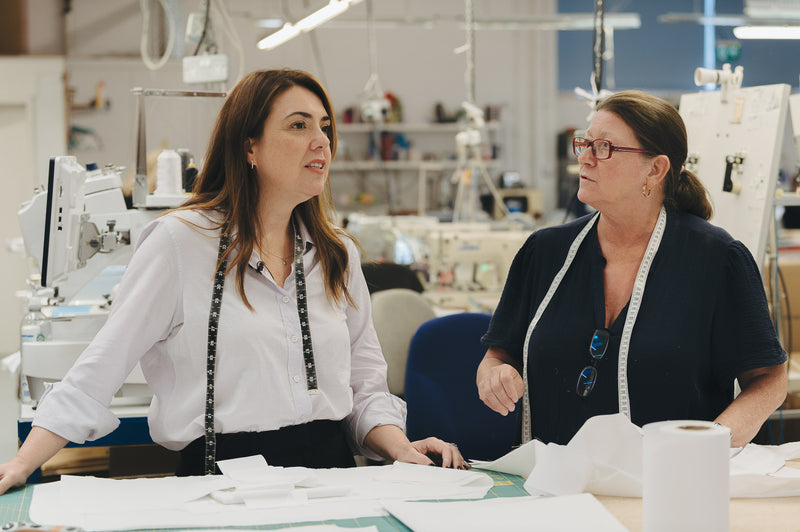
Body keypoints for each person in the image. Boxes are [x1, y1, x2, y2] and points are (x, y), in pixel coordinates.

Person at [0, 69, 466, 494]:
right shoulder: (181, 244)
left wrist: (398, 447)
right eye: (299, 125)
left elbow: (365, 387)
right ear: (249, 147)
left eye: (325, 126)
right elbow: (98, 371)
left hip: (333, 478)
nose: (321, 141)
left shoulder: (336, 252)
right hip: (220, 483)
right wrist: (20, 465)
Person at [476, 90, 787, 448]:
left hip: (668, 482)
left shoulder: (717, 260)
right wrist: (493, 374)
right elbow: (498, 354)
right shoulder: (544, 252)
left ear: (655, 170)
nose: (586, 159)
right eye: (585, 144)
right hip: (552, 485)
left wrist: (711, 443)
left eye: (605, 147)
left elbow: (769, 379)